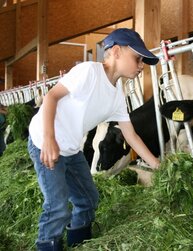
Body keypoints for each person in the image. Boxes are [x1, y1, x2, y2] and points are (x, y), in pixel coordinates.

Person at [28, 28, 160, 251]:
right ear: (116, 51)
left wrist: (159, 166)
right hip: (45, 142)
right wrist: (50, 140)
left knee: (89, 199)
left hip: (70, 149)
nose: (141, 66)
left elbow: (131, 135)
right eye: (138, 58)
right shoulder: (88, 71)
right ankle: (47, 245)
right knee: (58, 206)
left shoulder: (117, 96)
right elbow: (51, 97)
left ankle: (78, 242)